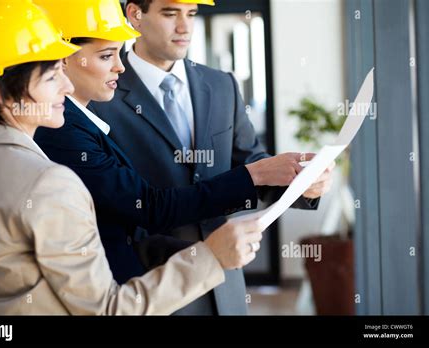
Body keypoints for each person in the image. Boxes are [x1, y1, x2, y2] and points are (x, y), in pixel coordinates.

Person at [0, 0, 264, 315]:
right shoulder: (50, 183)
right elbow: (107, 310)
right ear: (2, 95)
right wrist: (210, 259)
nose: (65, 84)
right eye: (51, 76)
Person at [33, 0, 331, 288]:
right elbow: (141, 206)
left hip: (224, 278)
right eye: (170, 13)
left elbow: (253, 161)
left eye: (191, 13)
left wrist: (299, 180)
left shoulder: (221, 85)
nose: (184, 26)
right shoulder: (90, 100)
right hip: (150, 280)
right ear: (134, 14)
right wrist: (258, 174)